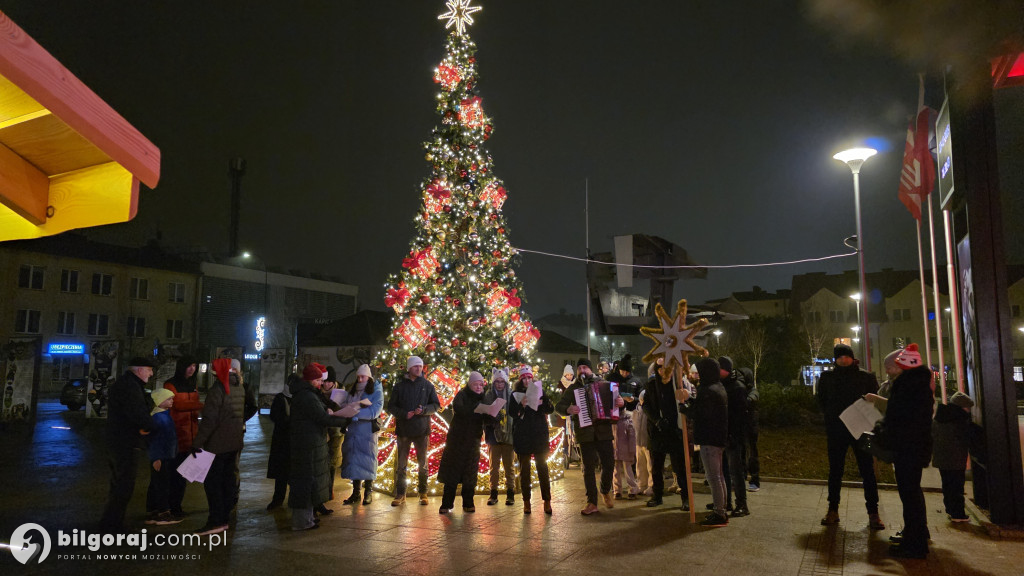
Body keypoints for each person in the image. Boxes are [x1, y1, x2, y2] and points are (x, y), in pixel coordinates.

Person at [875, 344, 934, 559]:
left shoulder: (908, 386)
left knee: (909, 495)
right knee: (912, 494)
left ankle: (914, 543)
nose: (890, 371)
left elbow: (898, 417)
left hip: (907, 448)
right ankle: (915, 534)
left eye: (894, 367)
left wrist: (882, 429)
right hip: (914, 447)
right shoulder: (918, 384)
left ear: (903, 366)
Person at [816, 344, 884, 530]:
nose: (843, 360)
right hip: (837, 431)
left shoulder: (866, 377)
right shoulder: (827, 377)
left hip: (862, 431)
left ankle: (873, 512)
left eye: (846, 356)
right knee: (835, 470)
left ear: (852, 358)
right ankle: (833, 509)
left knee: (867, 470)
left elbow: (875, 400)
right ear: (835, 359)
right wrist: (831, 417)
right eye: (839, 357)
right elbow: (821, 400)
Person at [555, 358, 624, 515]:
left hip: (603, 431)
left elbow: (616, 404)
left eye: (585, 367)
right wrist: (568, 409)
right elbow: (559, 406)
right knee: (588, 468)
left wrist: (621, 403)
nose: (582, 370)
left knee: (608, 463)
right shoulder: (573, 388)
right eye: (579, 368)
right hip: (584, 433)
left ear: (590, 369)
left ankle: (605, 490)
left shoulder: (604, 384)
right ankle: (592, 502)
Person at [288, 363, 350, 531]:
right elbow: (321, 418)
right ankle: (302, 522)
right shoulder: (307, 396)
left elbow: (321, 414)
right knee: (305, 483)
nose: (320, 383)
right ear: (310, 380)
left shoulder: (308, 394)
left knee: (309, 482)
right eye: (317, 380)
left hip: (310, 442)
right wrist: (345, 419)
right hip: (307, 444)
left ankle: (308, 518)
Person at [99, 356, 156, 533]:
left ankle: (111, 522)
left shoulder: (128, 384)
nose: (151, 374)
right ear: (139, 370)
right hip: (125, 442)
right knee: (124, 484)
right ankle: (112, 525)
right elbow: (138, 413)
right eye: (149, 370)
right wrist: (148, 426)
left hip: (119, 440)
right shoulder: (130, 387)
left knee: (119, 483)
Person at [191, 358, 245, 536]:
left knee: (213, 484)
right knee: (227, 481)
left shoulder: (218, 389)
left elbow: (209, 420)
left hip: (217, 445)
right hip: (234, 443)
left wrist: (197, 443)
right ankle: (224, 519)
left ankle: (215, 521)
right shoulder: (239, 387)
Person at [681, 357, 730, 527]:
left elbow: (702, 413)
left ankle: (719, 513)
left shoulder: (707, 390)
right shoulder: (718, 387)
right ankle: (721, 507)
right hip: (718, 438)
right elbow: (703, 407)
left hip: (710, 438)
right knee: (719, 476)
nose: (698, 375)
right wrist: (691, 402)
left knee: (713, 477)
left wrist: (685, 409)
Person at [388, 356, 442, 506]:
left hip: (421, 430)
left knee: (422, 464)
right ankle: (401, 494)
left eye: (420, 366)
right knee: (401, 465)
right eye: (415, 366)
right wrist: (404, 414)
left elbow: (436, 405)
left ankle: (423, 492)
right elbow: (391, 406)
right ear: (409, 368)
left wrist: (423, 410)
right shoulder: (399, 386)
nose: (419, 369)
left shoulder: (427, 385)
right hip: (404, 430)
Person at [642, 362, 692, 512]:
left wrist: (685, 405)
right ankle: (657, 496)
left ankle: (686, 498)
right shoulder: (651, 385)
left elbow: (688, 401)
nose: (665, 372)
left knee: (680, 467)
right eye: (661, 369)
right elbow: (646, 406)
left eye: (668, 369)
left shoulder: (678, 385)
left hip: (675, 431)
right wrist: (657, 420)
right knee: (657, 467)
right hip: (658, 431)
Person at [437, 371, 487, 514]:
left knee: (470, 473)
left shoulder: (484, 398)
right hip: (457, 440)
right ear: (470, 385)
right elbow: (459, 409)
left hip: (473, 440)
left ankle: (468, 503)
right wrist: (476, 409)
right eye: (475, 384)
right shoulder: (462, 395)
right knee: (453, 472)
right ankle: (446, 503)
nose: (478, 387)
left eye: (481, 384)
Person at [509, 366, 555, 515]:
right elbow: (512, 413)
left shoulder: (540, 391)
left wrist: (543, 403)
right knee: (525, 471)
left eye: (529, 377)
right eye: (524, 378)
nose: (527, 380)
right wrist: (521, 405)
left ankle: (547, 500)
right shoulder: (515, 394)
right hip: (523, 436)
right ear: (520, 380)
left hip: (539, 435)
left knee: (543, 469)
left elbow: (550, 409)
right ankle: (526, 502)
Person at [163, 356, 202, 520]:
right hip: (176, 435)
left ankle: (176, 506)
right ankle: (170, 507)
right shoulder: (170, 384)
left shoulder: (193, 385)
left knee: (183, 476)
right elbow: (176, 405)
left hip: (190, 437)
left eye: (194, 365)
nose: (192, 369)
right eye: (189, 365)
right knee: (173, 475)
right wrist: (200, 405)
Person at [340, 364, 384, 505]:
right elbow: (346, 404)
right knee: (354, 460)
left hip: (366, 431)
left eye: (363, 377)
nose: (360, 379)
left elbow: (375, 411)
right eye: (358, 377)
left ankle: (368, 493)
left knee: (368, 460)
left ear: (368, 377)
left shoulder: (376, 391)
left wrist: (354, 412)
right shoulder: (352, 390)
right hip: (353, 430)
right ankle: (356, 493)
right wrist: (345, 408)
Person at [932, 391, 975, 523]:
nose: (968, 411)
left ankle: (950, 510)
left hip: (941, 459)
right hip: (955, 460)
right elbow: (966, 438)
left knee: (947, 485)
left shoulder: (940, 416)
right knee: (956, 487)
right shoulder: (959, 419)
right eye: (967, 408)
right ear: (962, 407)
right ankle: (958, 514)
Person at [145, 388, 182, 525]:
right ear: (159, 401)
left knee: (156, 483)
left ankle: (152, 510)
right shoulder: (159, 418)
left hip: (165, 456)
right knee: (162, 484)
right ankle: (163, 513)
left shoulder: (162, 415)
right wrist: (156, 458)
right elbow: (155, 440)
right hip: (162, 457)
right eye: (168, 399)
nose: (172, 401)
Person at [720, 357, 750, 517]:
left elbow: (741, 415)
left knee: (735, 471)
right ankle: (727, 501)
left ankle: (742, 504)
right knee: (725, 470)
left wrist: (734, 434)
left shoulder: (737, 387)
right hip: (724, 434)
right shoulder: (723, 385)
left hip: (733, 435)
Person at [483, 368, 516, 506]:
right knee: (494, 466)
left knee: (509, 466)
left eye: (502, 382)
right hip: (493, 435)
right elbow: (483, 414)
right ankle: (493, 493)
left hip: (509, 435)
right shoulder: (488, 395)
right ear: (493, 382)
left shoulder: (511, 395)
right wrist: (492, 417)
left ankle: (510, 493)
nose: (500, 384)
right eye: (497, 381)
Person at [610, 355, 641, 500]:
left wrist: (633, 399)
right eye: (622, 371)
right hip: (615, 420)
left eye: (626, 371)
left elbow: (641, 398)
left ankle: (632, 487)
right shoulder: (612, 379)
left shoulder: (636, 381)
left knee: (628, 458)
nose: (624, 374)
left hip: (629, 416)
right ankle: (617, 489)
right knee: (615, 458)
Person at [266, 374, 298, 510]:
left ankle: (292, 500)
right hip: (282, 440)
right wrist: (287, 421)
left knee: (292, 472)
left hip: (293, 440)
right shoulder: (280, 398)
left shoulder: (298, 397)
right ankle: (278, 499)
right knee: (281, 472)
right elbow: (274, 416)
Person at [320, 366, 345, 502]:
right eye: (325, 381)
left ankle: (330, 489)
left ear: (334, 382)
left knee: (333, 460)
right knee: (322, 460)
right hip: (322, 430)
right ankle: (323, 489)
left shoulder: (341, 392)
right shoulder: (318, 392)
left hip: (336, 430)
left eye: (329, 382)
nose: (326, 384)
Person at [738, 367, 760, 492]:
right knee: (741, 453)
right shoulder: (740, 390)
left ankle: (755, 480)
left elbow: (751, 399)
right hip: (741, 426)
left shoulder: (753, 391)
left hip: (751, 427)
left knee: (752, 454)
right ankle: (742, 477)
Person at [633, 385, 653, 496]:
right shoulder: (637, 410)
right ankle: (641, 484)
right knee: (640, 465)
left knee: (650, 465)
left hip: (647, 441)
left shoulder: (649, 411)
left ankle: (651, 485)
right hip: (638, 442)